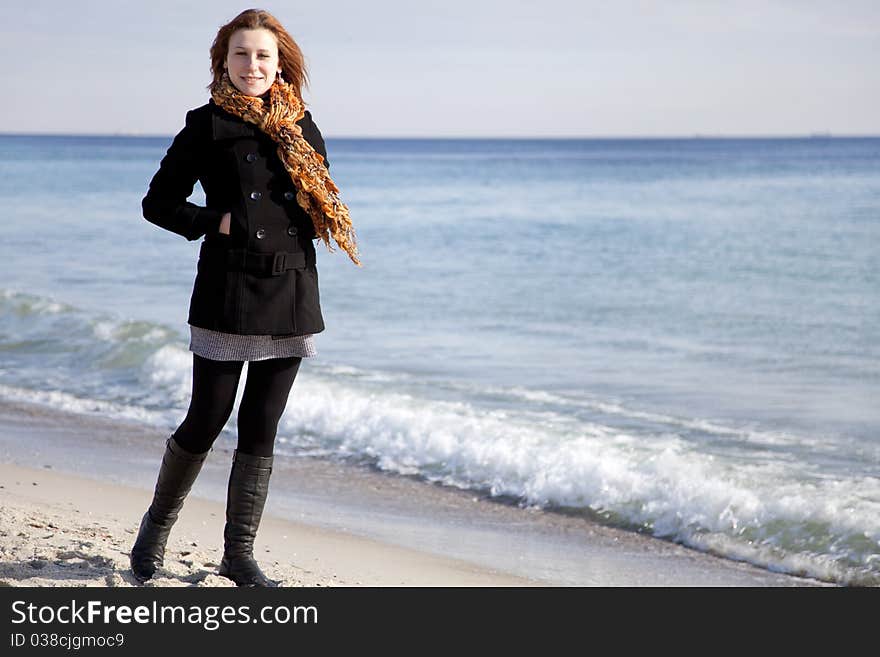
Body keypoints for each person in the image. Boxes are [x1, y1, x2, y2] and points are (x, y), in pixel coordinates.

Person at [130, 8, 360, 587]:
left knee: (262, 425)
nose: (251, 64)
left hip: (291, 287)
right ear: (222, 61)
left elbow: (316, 200)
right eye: (240, 54)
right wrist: (219, 222)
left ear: (279, 61)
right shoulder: (204, 125)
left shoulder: (302, 126)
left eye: (262, 55)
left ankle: (238, 556)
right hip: (228, 289)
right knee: (206, 418)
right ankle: (154, 532)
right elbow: (157, 203)